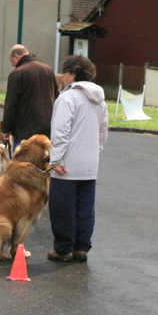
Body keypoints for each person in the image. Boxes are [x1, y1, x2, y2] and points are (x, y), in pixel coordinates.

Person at [47, 55, 108, 262]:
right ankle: (81, 247)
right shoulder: (99, 100)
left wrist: (55, 160)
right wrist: (95, 151)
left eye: (65, 72)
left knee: (62, 207)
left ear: (73, 73)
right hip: (89, 164)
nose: (63, 76)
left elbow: (60, 132)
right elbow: (103, 132)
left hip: (67, 164)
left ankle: (63, 249)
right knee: (85, 207)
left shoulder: (67, 98)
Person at [1, 44, 58, 150]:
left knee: (22, 163)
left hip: (26, 130)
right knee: (44, 162)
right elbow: (56, 96)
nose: (13, 64)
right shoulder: (48, 70)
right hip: (48, 126)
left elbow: (11, 105)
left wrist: (6, 129)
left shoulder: (17, 74)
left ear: (16, 56)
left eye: (11, 60)